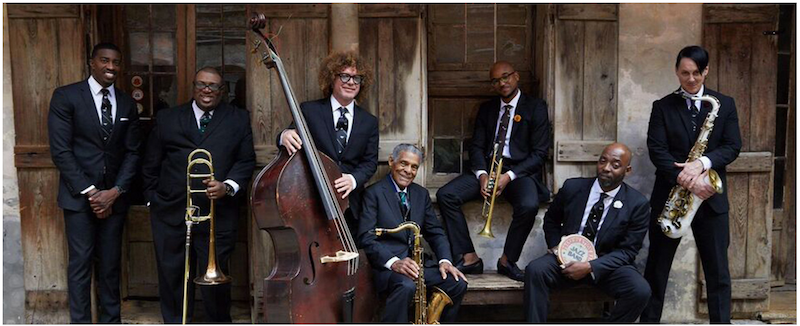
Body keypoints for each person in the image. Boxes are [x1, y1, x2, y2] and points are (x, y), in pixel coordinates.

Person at [142, 67, 256, 323]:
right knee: (172, 275)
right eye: (202, 84)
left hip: (218, 213)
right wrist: (152, 200)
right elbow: (150, 163)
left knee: (215, 281)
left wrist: (227, 186)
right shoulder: (168, 118)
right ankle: (175, 321)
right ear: (193, 86)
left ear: (222, 91)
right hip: (171, 211)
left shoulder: (238, 118)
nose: (207, 90)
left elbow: (246, 161)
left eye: (214, 86)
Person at [640, 45, 741, 323]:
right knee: (657, 269)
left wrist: (702, 165)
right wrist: (683, 179)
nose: (691, 79)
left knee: (718, 272)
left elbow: (733, 146)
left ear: (705, 70)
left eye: (697, 72)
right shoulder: (662, 107)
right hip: (670, 198)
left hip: (710, 198)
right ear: (676, 71)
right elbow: (657, 150)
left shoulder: (725, 104)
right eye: (684, 73)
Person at [48, 42, 141, 323]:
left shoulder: (126, 103)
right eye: (104, 60)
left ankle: (111, 321)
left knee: (110, 266)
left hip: (115, 198)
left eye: (115, 62)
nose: (111, 67)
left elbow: (133, 151)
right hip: (79, 199)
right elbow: (61, 151)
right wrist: (92, 193)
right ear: (92, 62)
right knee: (80, 265)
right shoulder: (66, 96)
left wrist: (115, 191)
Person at [436, 61, 550, 281]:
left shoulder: (536, 107)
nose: (502, 83)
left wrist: (508, 176)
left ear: (516, 76)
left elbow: (539, 153)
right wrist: (482, 175)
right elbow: (477, 146)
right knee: (446, 195)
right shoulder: (487, 109)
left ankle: (507, 261)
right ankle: (470, 258)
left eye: (506, 76)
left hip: (518, 173)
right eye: (496, 80)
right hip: (488, 170)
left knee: (529, 204)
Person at [524, 143, 651, 323]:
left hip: (605, 265)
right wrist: (556, 247)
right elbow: (551, 220)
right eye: (602, 161)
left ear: (627, 170)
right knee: (535, 270)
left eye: (615, 165)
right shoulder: (572, 187)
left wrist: (591, 266)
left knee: (640, 291)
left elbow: (627, 251)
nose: (606, 168)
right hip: (566, 260)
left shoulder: (637, 204)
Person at [358, 144, 468, 323]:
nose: (408, 171)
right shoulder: (373, 193)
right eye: (404, 163)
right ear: (392, 162)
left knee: (457, 283)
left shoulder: (421, 194)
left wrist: (445, 261)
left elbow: (436, 232)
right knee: (406, 286)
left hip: (418, 266)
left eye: (414, 167)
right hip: (387, 269)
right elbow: (365, 237)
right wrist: (394, 263)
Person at [278, 51, 379, 232]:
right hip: (312, 198)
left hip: (350, 204)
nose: (351, 82)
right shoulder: (309, 110)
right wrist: (283, 135)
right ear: (332, 78)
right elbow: (290, 138)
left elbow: (370, 162)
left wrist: (353, 179)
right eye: (345, 76)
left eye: (357, 79)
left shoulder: (369, 122)